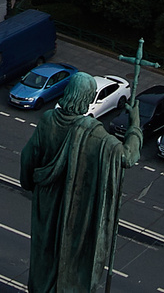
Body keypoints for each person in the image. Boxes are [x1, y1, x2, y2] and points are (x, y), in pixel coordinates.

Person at [19, 70, 144, 292]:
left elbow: (28, 156)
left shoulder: (47, 120)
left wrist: (29, 183)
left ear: (67, 93)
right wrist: (134, 124)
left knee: (45, 254)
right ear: (87, 101)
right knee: (72, 256)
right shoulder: (96, 136)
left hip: (46, 205)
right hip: (77, 212)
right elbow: (128, 156)